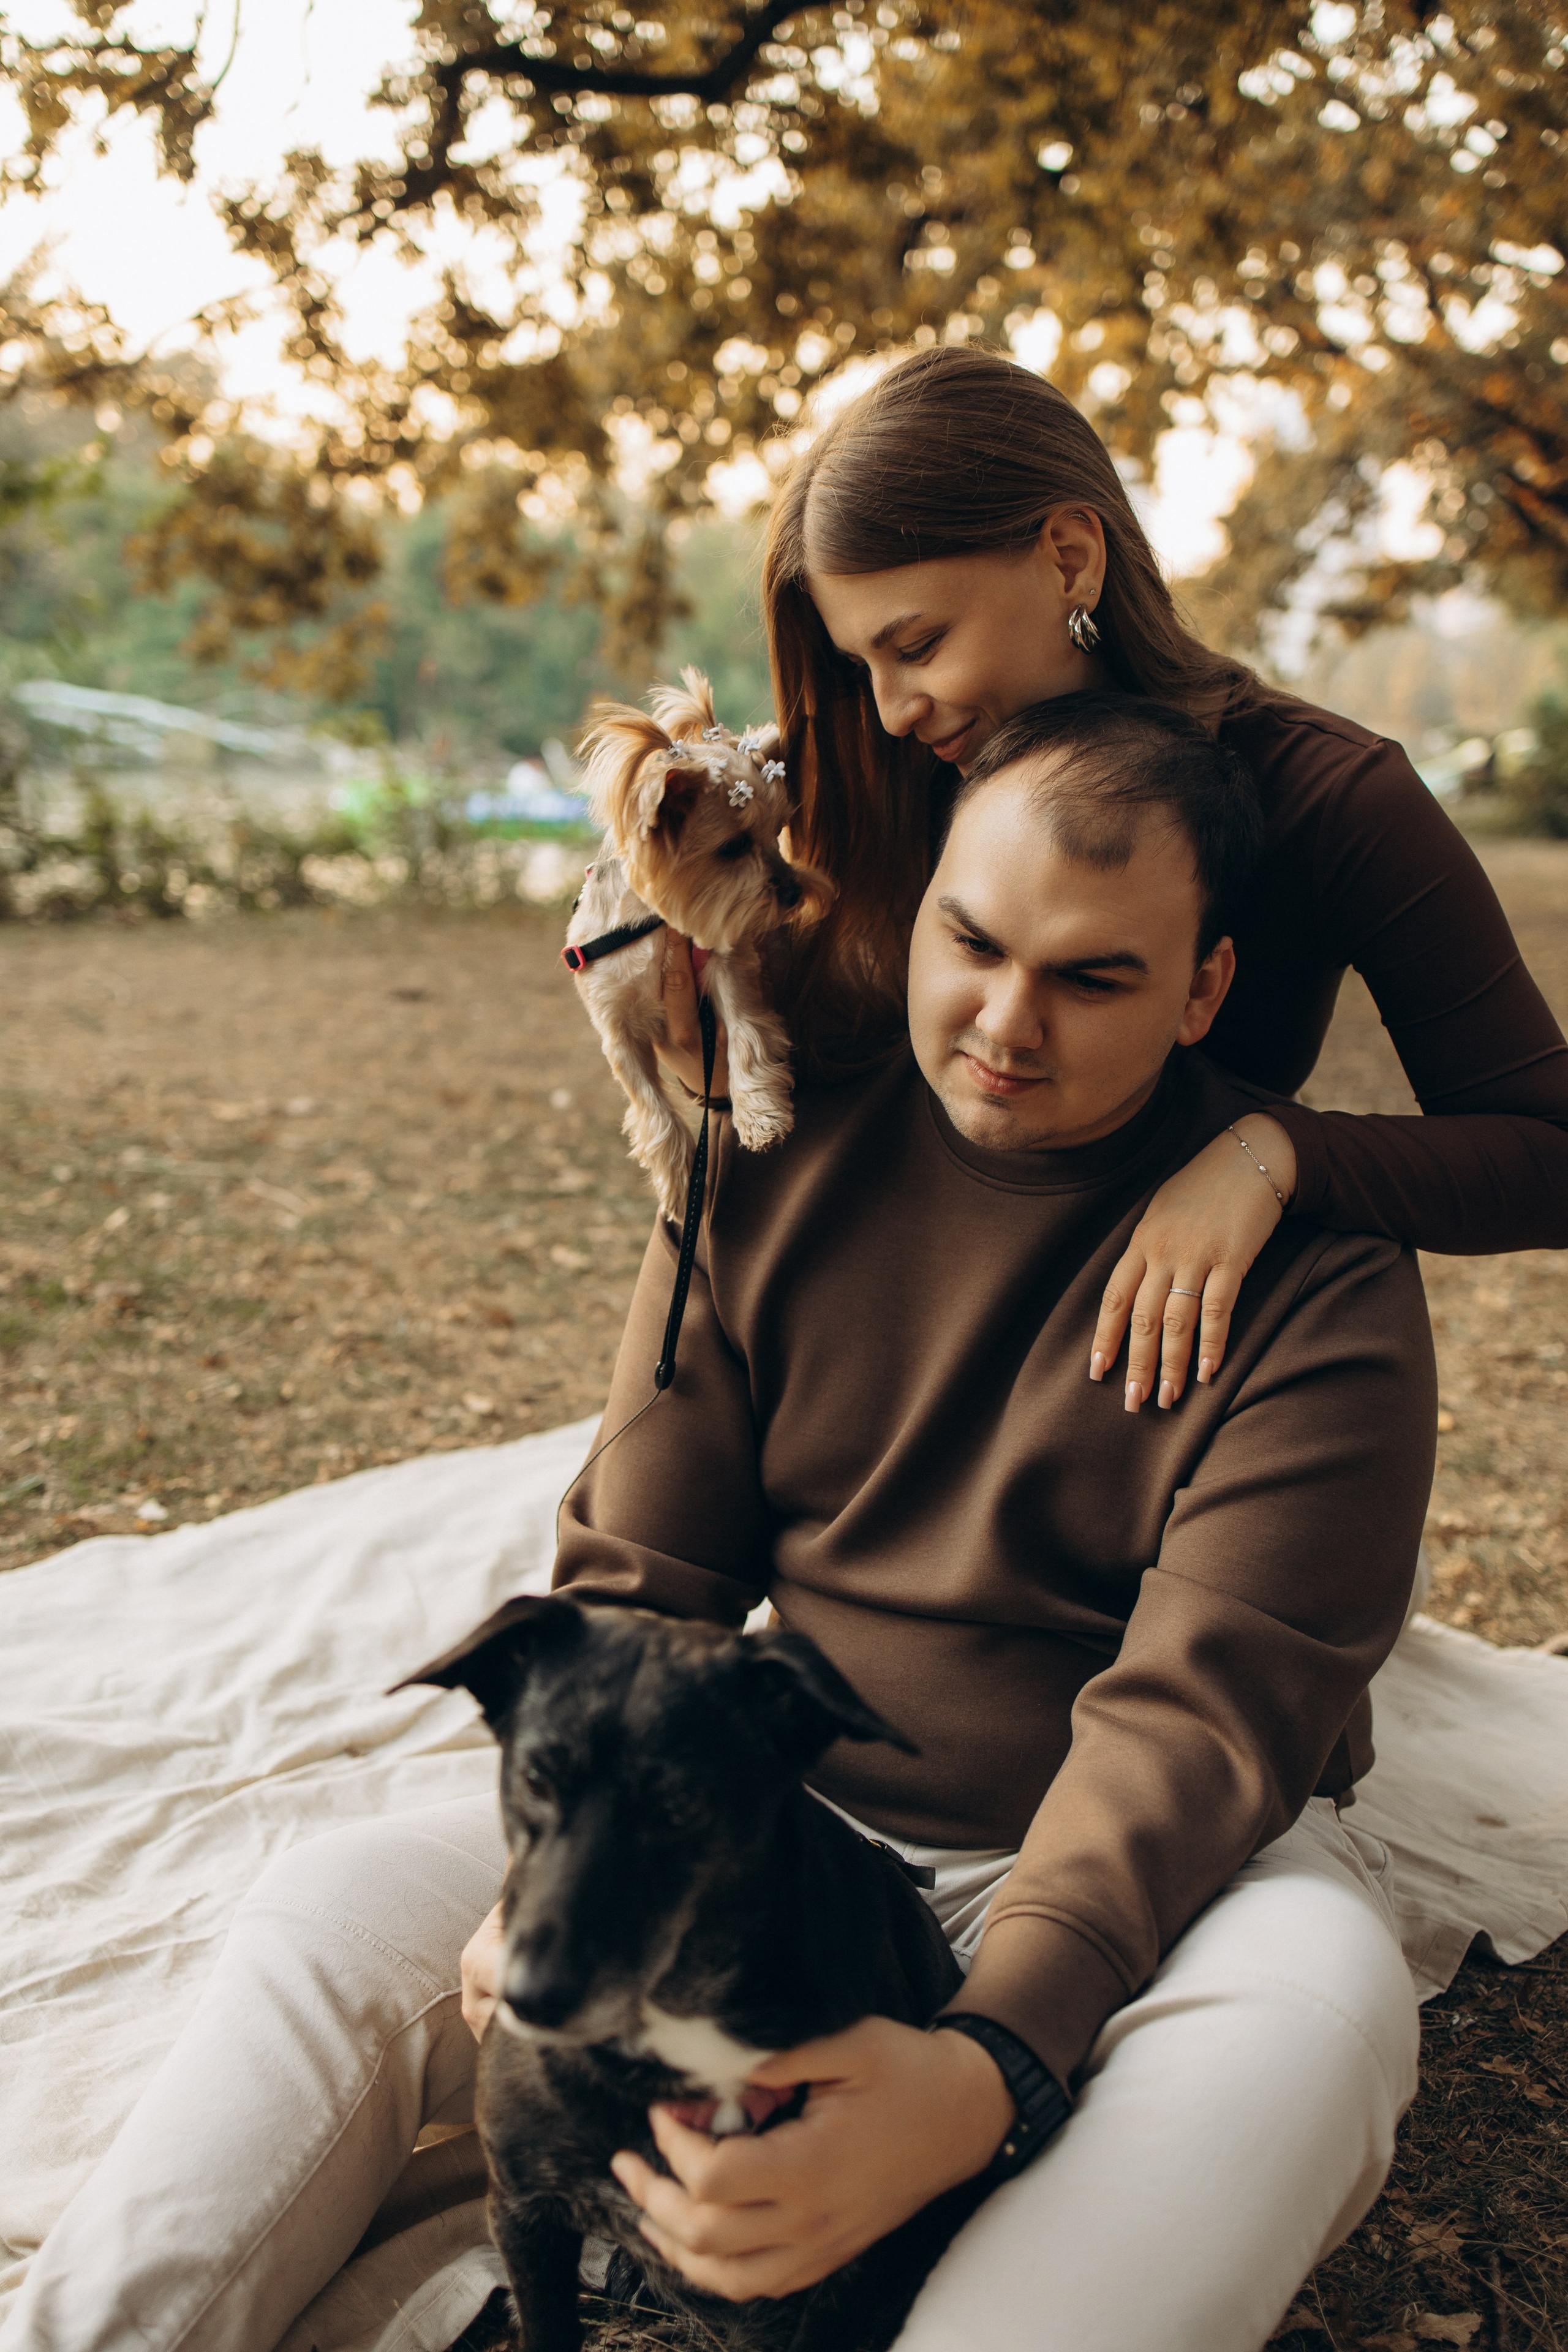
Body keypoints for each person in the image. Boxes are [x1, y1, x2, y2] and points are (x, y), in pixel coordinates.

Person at [2, 696, 1435, 2352]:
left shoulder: (1322, 1277)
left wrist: (985, 2066)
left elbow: (1208, 1716)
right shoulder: (770, 1153)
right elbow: (640, 1564)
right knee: (333, 1911)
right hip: (761, 1797)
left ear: (1206, 989)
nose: (1004, 1024)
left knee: (1321, 2029)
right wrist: (544, 1869)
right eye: (971, 943)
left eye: (1094, 977)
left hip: (1158, 1863)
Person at [657, 342, 1568, 1415]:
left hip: (1148, 1374)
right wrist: (708, 1065)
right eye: (865, 664)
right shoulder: (890, 761)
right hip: (882, 1357)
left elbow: (1549, 1155)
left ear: (1069, 558)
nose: (894, 706)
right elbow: (836, 1105)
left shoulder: (1336, 801)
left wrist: (1275, 1152)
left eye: (921, 643)